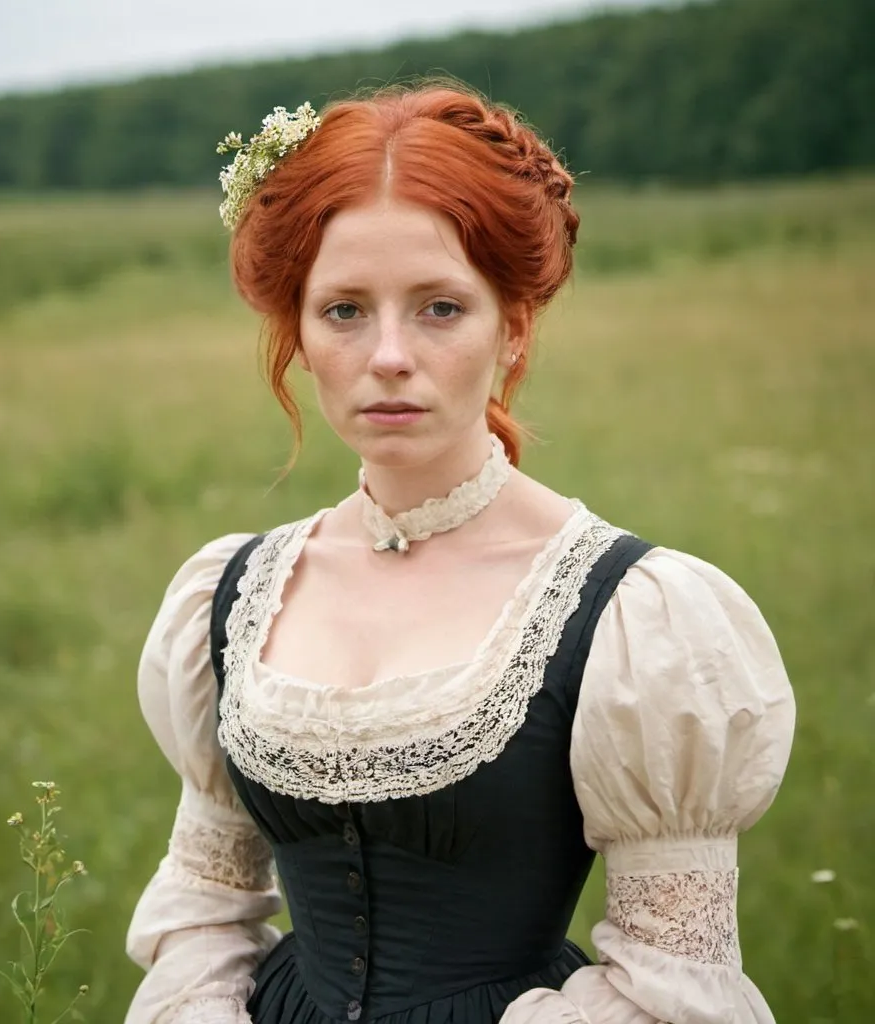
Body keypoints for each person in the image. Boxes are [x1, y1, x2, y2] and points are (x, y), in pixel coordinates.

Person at [123, 84, 795, 1024]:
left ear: (513, 327)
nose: (389, 354)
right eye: (345, 310)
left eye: (440, 308)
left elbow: (673, 978)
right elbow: (205, 893)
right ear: (300, 339)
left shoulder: (633, 617)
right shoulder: (235, 597)